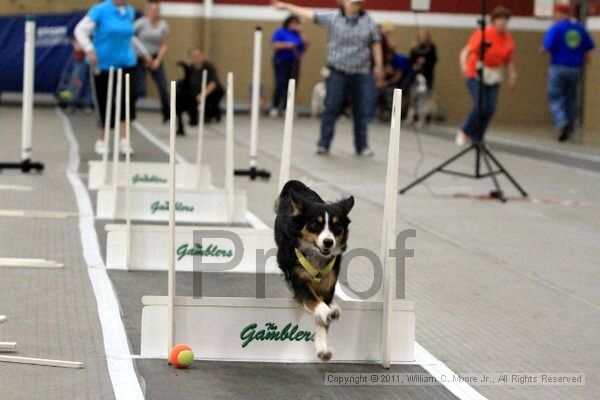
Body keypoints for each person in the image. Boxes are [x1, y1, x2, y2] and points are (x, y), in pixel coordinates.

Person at [272, 0, 384, 157]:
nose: (355, 6)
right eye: (352, 3)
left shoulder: (369, 21)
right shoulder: (333, 17)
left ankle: (362, 146)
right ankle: (324, 144)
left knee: (361, 110)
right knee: (331, 107)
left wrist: (379, 65)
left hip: (361, 72)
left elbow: (376, 43)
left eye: (358, 3)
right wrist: (287, 6)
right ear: (343, 3)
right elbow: (309, 14)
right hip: (337, 71)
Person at [75, 0, 151, 155]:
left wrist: (144, 52)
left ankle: (124, 140)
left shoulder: (129, 11)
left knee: (127, 100)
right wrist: (89, 49)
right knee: (104, 100)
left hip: (127, 62)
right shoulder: (100, 10)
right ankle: (102, 140)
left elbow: (129, 37)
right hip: (102, 63)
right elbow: (80, 30)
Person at [456, 6, 517, 146]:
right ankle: (464, 131)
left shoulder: (508, 39)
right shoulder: (483, 33)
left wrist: (512, 75)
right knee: (480, 105)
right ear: (494, 21)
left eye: (505, 20)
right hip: (476, 73)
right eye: (499, 20)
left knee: (490, 108)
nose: (502, 23)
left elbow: (508, 60)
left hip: (493, 74)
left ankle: (478, 137)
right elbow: (466, 51)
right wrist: (463, 65)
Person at [543, 3, 595, 142]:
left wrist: (543, 50)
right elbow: (589, 48)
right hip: (576, 68)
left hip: (558, 67)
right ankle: (570, 126)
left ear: (560, 14)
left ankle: (561, 122)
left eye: (555, 14)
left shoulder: (555, 29)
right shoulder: (580, 29)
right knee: (571, 99)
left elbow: (548, 47)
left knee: (555, 97)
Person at [134, 0, 171, 123]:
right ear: (148, 11)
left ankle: (167, 115)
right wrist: (144, 55)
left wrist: (157, 60)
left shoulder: (163, 24)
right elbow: (131, 36)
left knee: (163, 86)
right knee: (137, 87)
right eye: (152, 10)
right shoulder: (141, 23)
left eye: (157, 10)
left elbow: (164, 44)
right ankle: (130, 112)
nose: (154, 12)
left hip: (155, 57)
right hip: (141, 57)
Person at [175, 49, 224, 135]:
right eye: (193, 57)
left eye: (197, 56)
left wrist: (202, 95)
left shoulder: (208, 67)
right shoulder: (190, 68)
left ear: (202, 56)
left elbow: (213, 83)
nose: (195, 58)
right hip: (196, 91)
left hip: (211, 91)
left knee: (212, 99)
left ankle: (213, 114)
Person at [270, 15, 307, 117]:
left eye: (297, 24)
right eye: (293, 23)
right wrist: (287, 45)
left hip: (294, 63)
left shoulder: (298, 35)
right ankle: (275, 106)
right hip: (282, 61)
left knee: (292, 84)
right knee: (280, 83)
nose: (295, 26)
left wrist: (304, 41)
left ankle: (288, 107)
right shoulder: (281, 32)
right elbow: (275, 45)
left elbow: (302, 48)